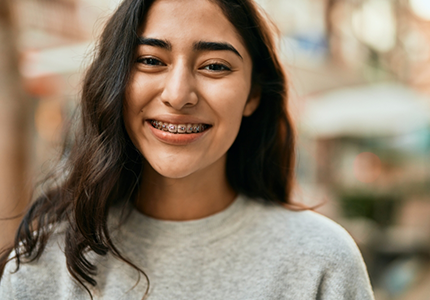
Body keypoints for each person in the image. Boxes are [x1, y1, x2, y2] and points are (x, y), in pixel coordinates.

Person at [0, 0, 375, 299]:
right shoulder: (45, 265)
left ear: (253, 94)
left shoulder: (321, 263)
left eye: (214, 66)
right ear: (115, 81)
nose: (178, 95)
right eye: (150, 61)